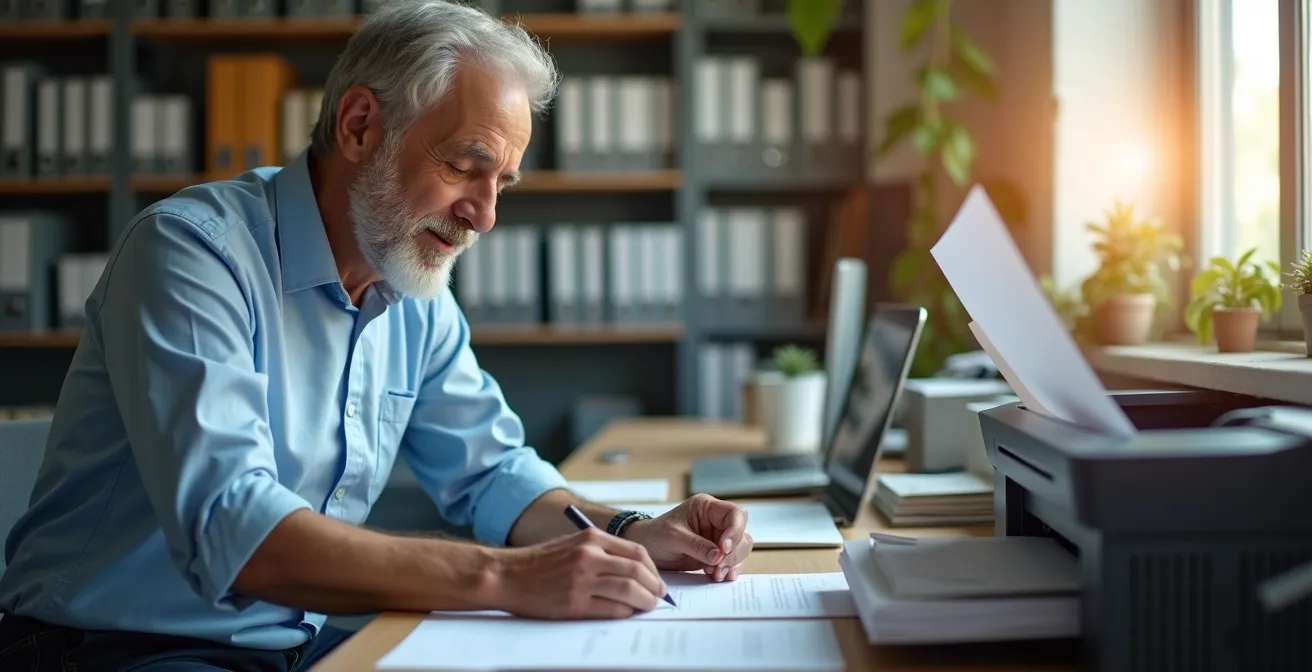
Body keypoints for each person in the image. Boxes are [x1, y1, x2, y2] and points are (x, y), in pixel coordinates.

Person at [0, 1, 754, 669]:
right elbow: (239, 533)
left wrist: (630, 532)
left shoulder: (413, 281)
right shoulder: (190, 254)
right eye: (466, 166)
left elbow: (492, 475)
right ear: (359, 125)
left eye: (504, 185)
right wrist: (505, 577)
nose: (484, 215)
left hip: (293, 644)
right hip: (113, 648)